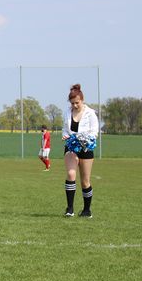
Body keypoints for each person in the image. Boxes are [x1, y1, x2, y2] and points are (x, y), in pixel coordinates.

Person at [62, 83, 99, 218]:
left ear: (82, 100)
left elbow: (94, 132)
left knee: (85, 181)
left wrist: (84, 139)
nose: (75, 105)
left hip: (86, 148)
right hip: (71, 147)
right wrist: (65, 136)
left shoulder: (91, 114)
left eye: (77, 103)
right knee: (71, 174)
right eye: (72, 103)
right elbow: (65, 129)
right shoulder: (67, 112)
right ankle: (70, 209)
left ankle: (86, 210)